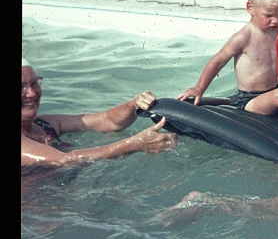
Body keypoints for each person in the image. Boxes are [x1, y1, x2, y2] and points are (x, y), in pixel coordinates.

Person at [21, 57, 177, 171]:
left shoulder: (45, 124)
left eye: (34, 83)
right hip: (38, 209)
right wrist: (136, 144)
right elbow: (65, 160)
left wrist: (133, 104)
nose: (32, 94)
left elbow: (108, 121)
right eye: (21, 87)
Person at [178, 0, 278, 116]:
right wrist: (199, 88)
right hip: (249, 100)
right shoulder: (244, 37)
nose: (276, 20)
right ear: (251, 8)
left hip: (271, 91)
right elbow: (218, 61)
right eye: (268, 15)